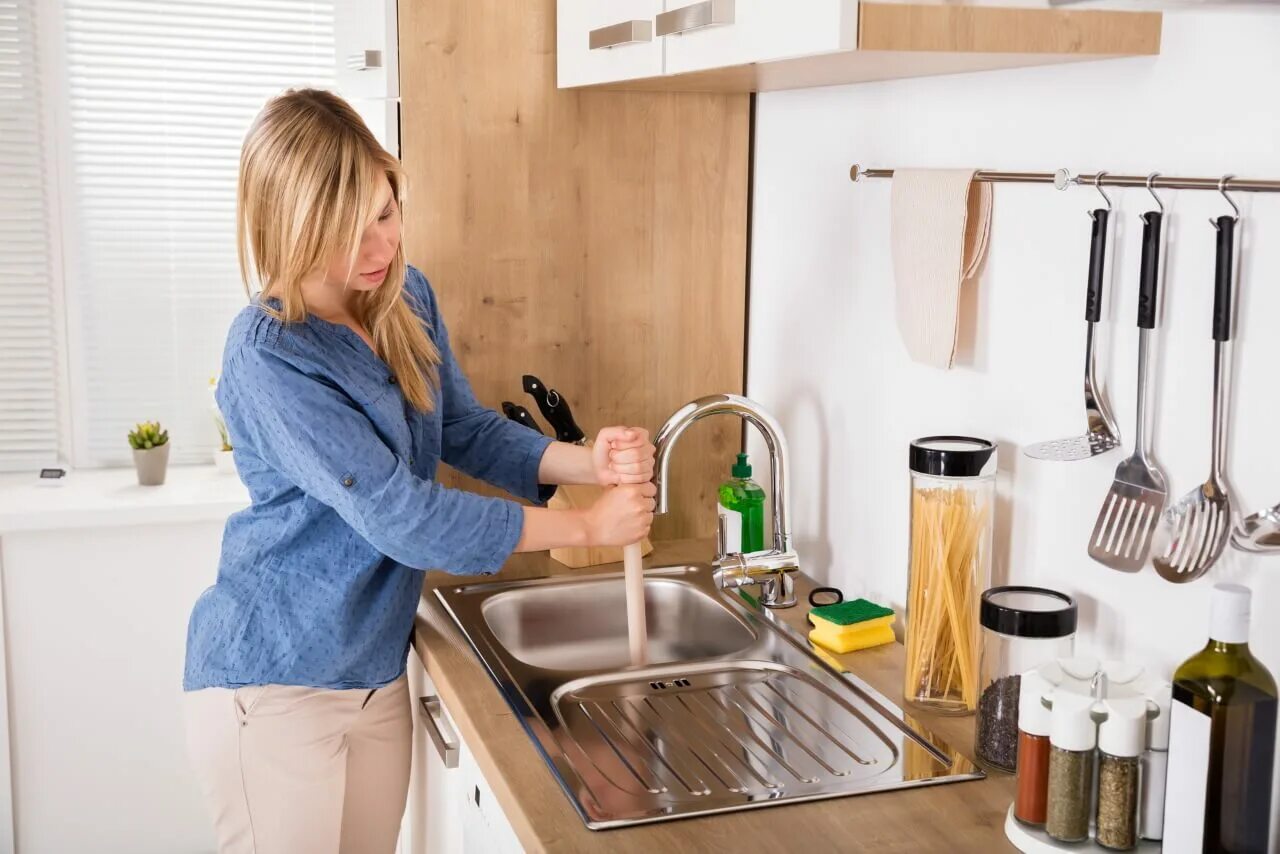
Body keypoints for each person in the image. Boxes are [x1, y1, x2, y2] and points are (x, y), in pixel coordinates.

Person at [182, 88, 656, 854]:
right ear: (287, 230)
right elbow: (401, 514)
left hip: (373, 673)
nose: (376, 250)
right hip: (273, 686)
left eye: (384, 212)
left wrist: (587, 460)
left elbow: (459, 428)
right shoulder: (268, 354)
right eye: (342, 234)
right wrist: (585, 525)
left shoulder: (403, 295)